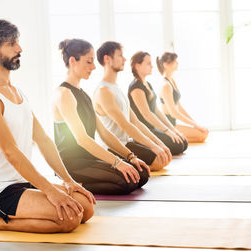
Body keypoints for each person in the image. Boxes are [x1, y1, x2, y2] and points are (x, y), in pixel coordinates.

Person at [0, 19, 95, 233]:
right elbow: (11, 152)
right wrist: (50, 191)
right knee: (70, 219)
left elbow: (44, 140)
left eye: (17, 42)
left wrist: (68, 181)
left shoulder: (18, 93)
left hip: (21, 182)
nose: (19, 49)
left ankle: (35, 201)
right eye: (11, 44)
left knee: (86, 208)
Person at [53, 39, 150, 195]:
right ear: (73, 61)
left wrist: (130, 157)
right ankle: (69, 184)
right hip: (72, 164)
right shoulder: (63, 94)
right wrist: (117, 162)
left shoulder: (84, 94)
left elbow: (103, 132)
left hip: (89, 159)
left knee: (141, 175)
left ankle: (82, 182)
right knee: (126, 183)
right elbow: (82, 139)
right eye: (89, 62)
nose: (93, 67)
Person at [93, 41, 171, 171]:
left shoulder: (116, 88)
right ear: (107, 59)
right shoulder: (103, 91)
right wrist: (154, 147)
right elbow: (125, 125)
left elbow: (135, 122)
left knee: (164, 158)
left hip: (126, 142)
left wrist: (159, 144)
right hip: (113, 147)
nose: (124, 59)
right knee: (158, 161)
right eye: (120, 55)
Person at [128, 51, 188, 156]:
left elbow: (156, 110)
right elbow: (147, 114)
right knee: (178, 145)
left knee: (183, 142)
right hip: (144, 131)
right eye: (148, 64)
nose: (152, 66)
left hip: (153, 128)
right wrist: (167, 131)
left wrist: (172, 129)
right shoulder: (136, 88)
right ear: (138, 66)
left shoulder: (147, 84)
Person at [157, 52, 209, 143]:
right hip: (168, 125)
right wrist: (196, 126)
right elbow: (174, 113)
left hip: (173, 123)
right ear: (165, 65)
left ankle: (174, 139)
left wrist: (196, 124)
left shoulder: (171, 81)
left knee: (204, 133)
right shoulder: (166, 86)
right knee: (202, 135)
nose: (177, 63)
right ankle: (168, 140)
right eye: (175, 61)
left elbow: (179, 107)